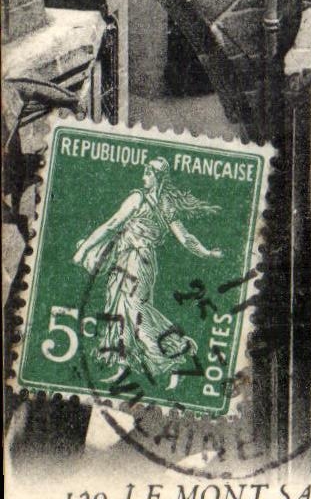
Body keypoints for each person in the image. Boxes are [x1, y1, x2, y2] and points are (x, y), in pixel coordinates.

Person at [72, 156, 222, 386]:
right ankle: (123, 366)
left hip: (137, 261)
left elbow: (113, 224)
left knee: (135, 312)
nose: (144, 174)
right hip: (128, 258)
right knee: (119, 310)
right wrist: (207, 252)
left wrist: (84, 249)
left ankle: (175, 352)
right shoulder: (161, 203)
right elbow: (185, 238)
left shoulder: (144, 200)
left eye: (148, 171)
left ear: (156, 177)